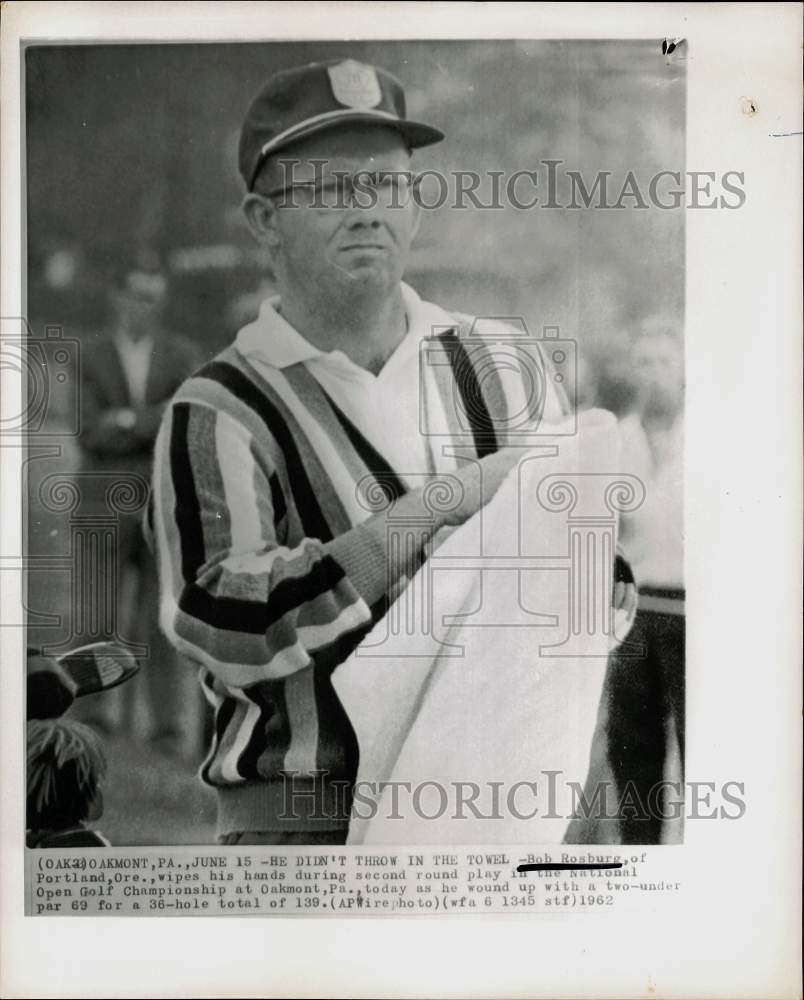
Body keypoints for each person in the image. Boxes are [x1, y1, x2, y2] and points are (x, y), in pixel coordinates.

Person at [150, 59, 636, 846]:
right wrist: (448, 503)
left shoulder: (507, 364)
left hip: (499, 813)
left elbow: (594, 588)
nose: (367, 212)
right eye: (329, 189)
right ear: (263, 219)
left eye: (388, 185)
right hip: (305, 822)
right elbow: (224, 626)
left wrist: (587, 569)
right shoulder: (219, 409)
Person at [77, 261, 203, 750]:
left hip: (160, 503)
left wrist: (125, 421)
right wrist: (146, 422)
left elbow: (183, 419)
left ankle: (165, 726)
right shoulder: (90, 353)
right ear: (118, 298)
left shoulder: (180, 354)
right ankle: (92, 712)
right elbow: (88, 427)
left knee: (162, 620)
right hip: (99, 503)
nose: (144, 307)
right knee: (96, 616)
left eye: (154, 298)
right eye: (137, 296)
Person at [606, 325, 685, 843]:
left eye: (662, 361)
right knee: (632, 748)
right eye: (643, 362)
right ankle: (641, 867)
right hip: (635, 616)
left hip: (697, 612)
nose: (652, 373)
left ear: (683, 368)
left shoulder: (713, 435)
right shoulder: (618, 440)